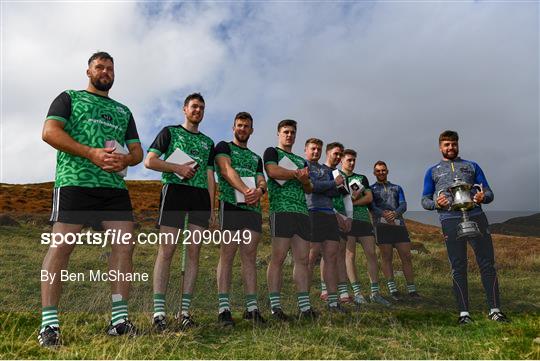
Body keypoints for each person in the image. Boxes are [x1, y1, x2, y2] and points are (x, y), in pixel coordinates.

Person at [40, 51, 143, 346]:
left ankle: (119, 321)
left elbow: (137, 151)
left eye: (110, 68)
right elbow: (49, 132)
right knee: (61, 248)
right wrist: (90, 153)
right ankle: (49, 326)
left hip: (113, 189)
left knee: (125, 245)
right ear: (88, 71)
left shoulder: (123, 111)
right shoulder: (69, 97)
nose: (105, 71)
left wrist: (125, 159)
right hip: (76, 182)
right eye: (100, 66)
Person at [145, 93, 216, 331]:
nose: (198, 111)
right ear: (185, 109)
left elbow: (209, 175)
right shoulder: (169, 131)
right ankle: (158, 314)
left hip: (199, 198)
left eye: (202, 108)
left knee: (194, 252)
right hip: (174, 192)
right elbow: (150, 161)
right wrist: (176, 167)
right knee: (167, 251)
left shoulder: (208, 142)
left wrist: (212, 206)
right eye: (194, 106)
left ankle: (184, 312)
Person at [421, 130, 508, 324]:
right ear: (440, 147)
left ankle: (495, 309)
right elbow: (424, 200)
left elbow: (489, 192)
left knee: (487, 263)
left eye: (453, 144)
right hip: (449, 219)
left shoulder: (472, 166)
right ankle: (464, 313)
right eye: (446, 145)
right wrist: (437, 203)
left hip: (476, 215)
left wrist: (482, 196)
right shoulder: (432, 171)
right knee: (458, 266)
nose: (450, 147)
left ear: (458, 145)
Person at [214, 112, 267, 326]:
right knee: (227, 254)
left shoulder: (256, 158)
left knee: (249, 256)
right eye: (239, 125)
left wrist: (260, 192)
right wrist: (246, 189)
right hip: (231, 205)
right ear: (233, 127)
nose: (242, 129)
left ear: (252, 130)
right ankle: (223, 309)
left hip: (252, 210)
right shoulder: (223, 147)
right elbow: (226, 170)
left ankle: (251, 308)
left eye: (246, 126)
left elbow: (262, 180)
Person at [264, 119, 317, 321]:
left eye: (293, 132)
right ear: (278, 133)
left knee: (302, 259)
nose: (289, 135)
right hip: (281, 210)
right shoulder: (272, 152)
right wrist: (297, 175)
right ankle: (275, 308)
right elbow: (272, 171)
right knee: (277, 258)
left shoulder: (302, 161)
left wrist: (304, 181)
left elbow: (309, 188)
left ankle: (305, 308)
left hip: (301, 212)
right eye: (286, 131)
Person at [336, 150, 391, 307]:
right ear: (341, 160)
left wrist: (351, 203)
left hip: (363, 219)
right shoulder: (337, 176)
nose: (352, 163)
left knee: (371, 254)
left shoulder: (361, 178)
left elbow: (369, 197)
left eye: (354, 160)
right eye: (349, 160)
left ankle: (375, 293)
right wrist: (346, 204)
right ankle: (357, 293)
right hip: (347, 220)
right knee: (350, 255)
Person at [306, 141, 349, 313]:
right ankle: (305, 303)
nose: (316, 151)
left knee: (332, 256)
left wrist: (326, 187)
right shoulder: (304, 165)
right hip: (312, 212)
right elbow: (311, 187)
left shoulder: (331, 171)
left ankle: (333, 302)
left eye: (318, 149)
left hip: (329, 214)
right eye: (313, 149)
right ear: (306, 150)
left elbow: (337, 192)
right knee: (310, 257)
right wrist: (331, 184)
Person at [371, 160, 420, 301]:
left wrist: (395, 214)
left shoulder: (397, 187)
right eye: (378, 171)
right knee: (386, 258)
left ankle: (412, 289)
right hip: (381, 226)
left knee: (406, 256)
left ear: (387, 171)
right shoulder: (371, 189)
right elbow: (371, 206)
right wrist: (383, 214)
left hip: (399, 225)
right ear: (374, 173)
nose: (381, 172)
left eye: (383, 170)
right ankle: (393, 290)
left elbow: (403, 204)